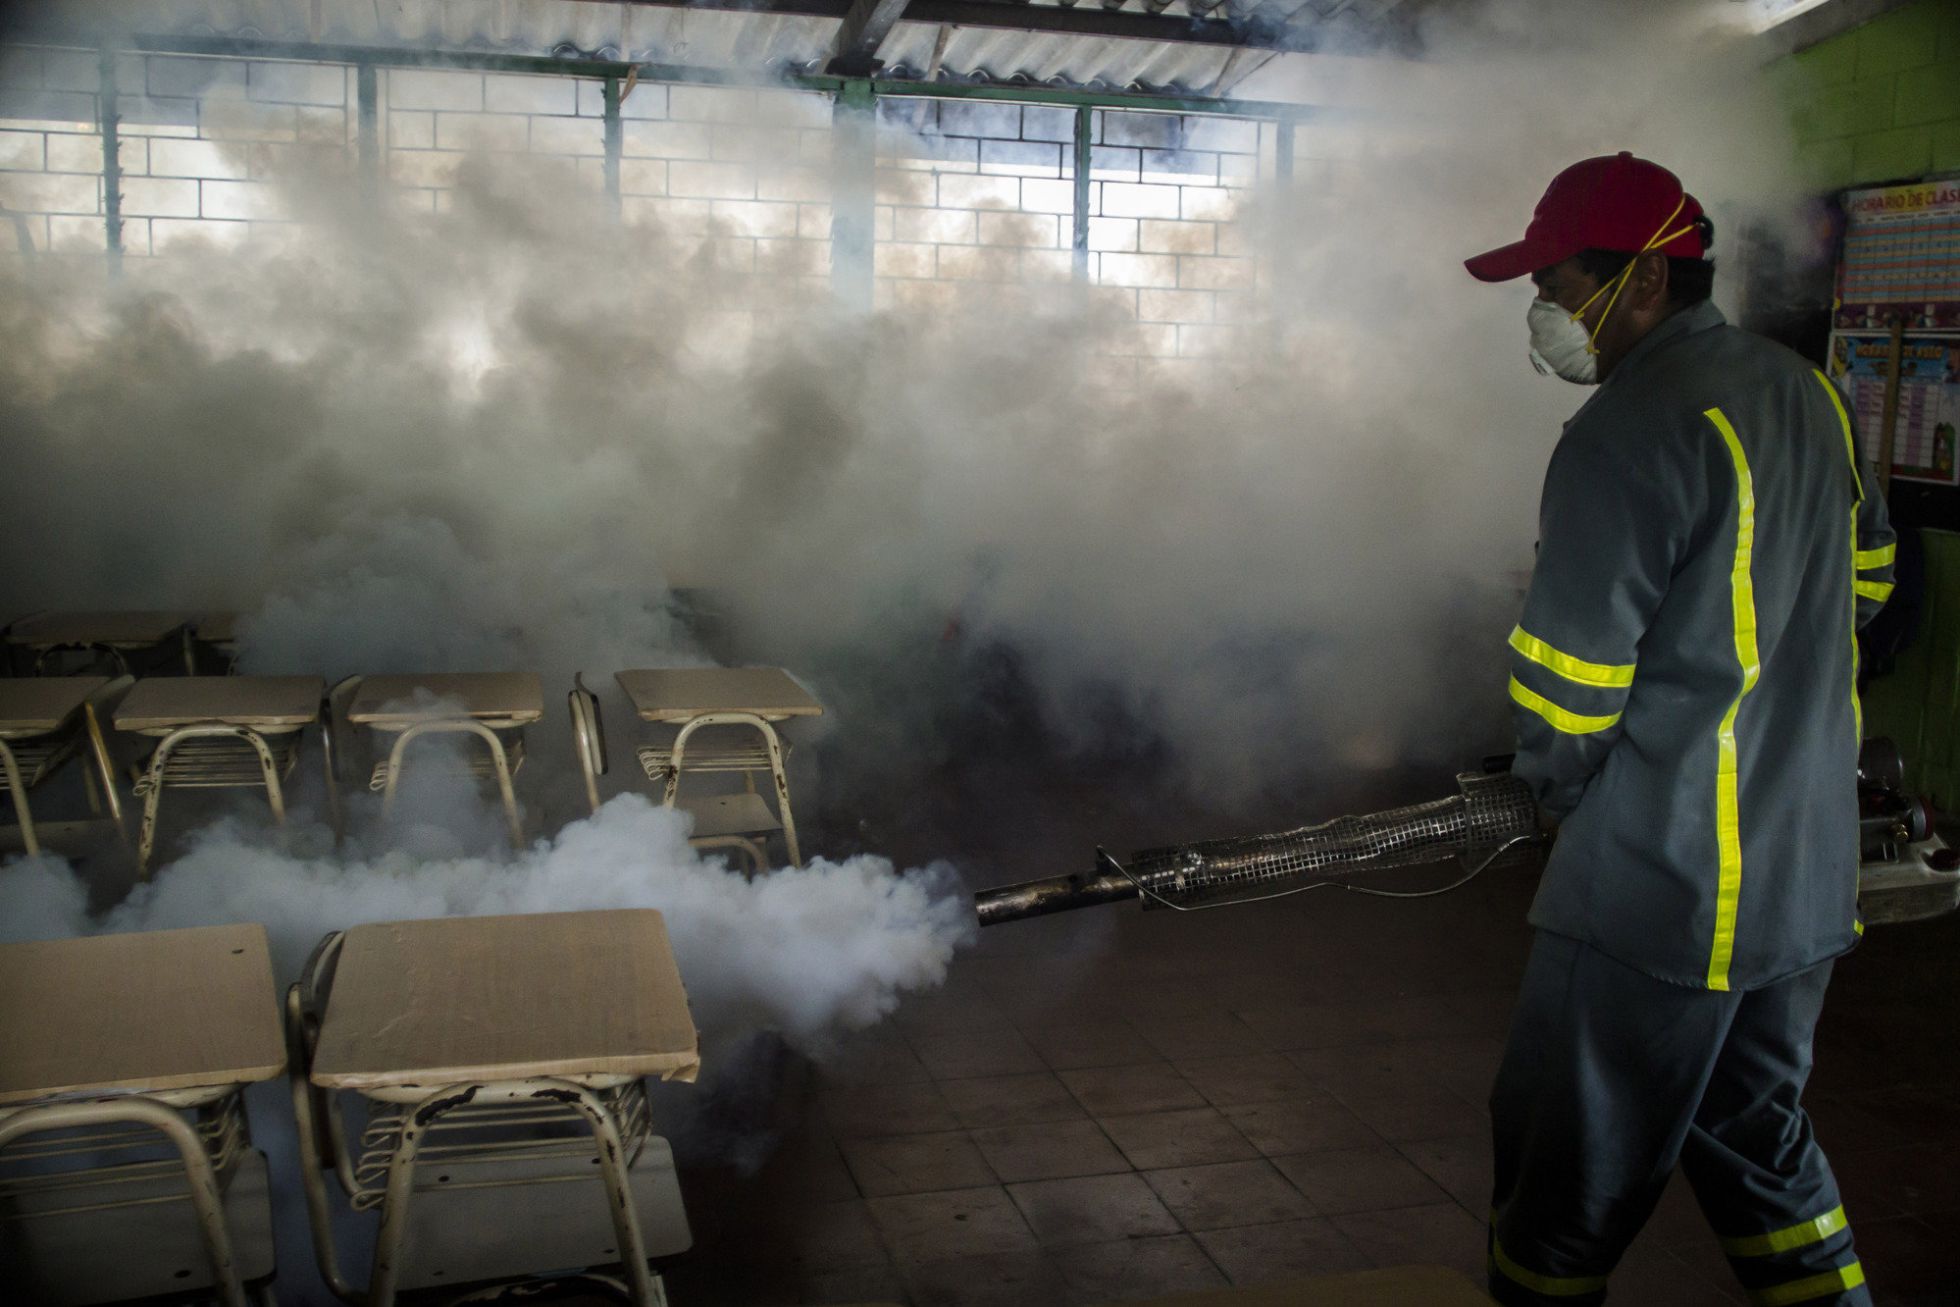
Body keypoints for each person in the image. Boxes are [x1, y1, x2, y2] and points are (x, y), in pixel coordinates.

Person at [1464, 153, 1895, 1305]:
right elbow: (1867, 585)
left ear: (1646, 278)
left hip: (1660, 889)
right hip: (1802, 873)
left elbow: (1569, 690)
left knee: (1558, 1178)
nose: (1548, 317)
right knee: (1757, 1139)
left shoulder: (1622, 429)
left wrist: (1553, 793)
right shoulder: (1812, 393)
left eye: (1559, 288)